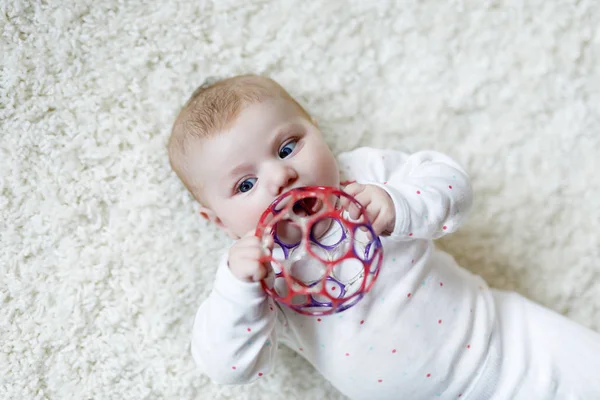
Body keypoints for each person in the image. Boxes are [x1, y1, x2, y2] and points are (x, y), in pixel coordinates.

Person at [168, 74, 600, 399]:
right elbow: (227, 367)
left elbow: (454, 186)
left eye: (287, 147)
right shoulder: (255, 275)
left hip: (515, 340)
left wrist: (399, 205)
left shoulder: (366, 175)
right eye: (245, 185)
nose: (281, 176)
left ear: (315, 129)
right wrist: (237, 289)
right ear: (218, 220)